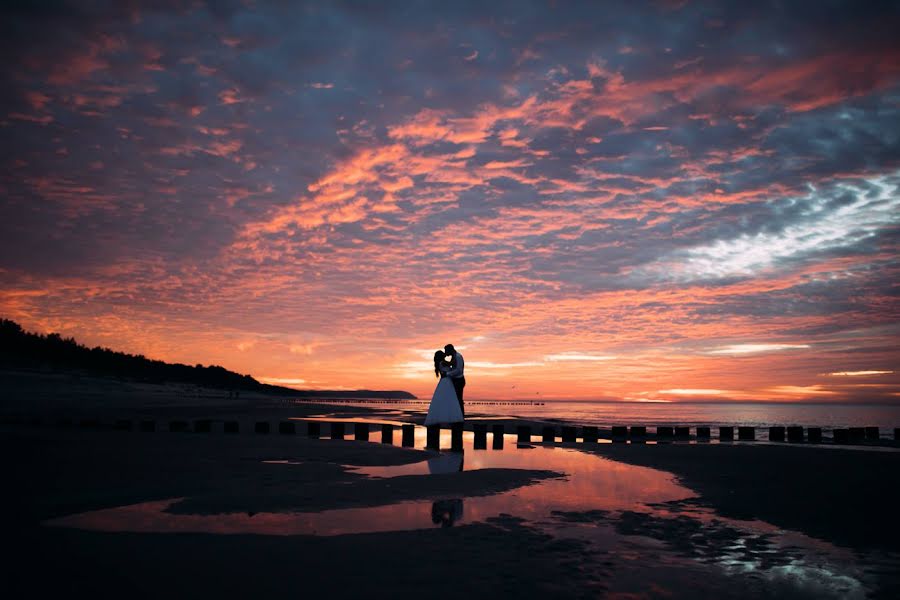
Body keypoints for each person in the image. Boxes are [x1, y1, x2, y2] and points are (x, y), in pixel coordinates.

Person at [424, 350, 463, 426]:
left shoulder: (440, 363)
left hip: (444, 381)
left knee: (444, 399)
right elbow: (451, 364)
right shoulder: (443, 362)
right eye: (443, 354)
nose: (444, 355)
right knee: (450, 398)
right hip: (447, 381)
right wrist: (454, 355)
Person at [443, 344, 465, 417]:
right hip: (455, 380)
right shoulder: (454, 357)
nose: (445, 353)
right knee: (456, 399)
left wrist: (447, 373)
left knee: (458, 400)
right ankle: (457, 415)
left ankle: (460, 416)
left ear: (450, 350)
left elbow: (458, 370)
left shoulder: (458, 357)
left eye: (446, 351)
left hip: (459, 380)